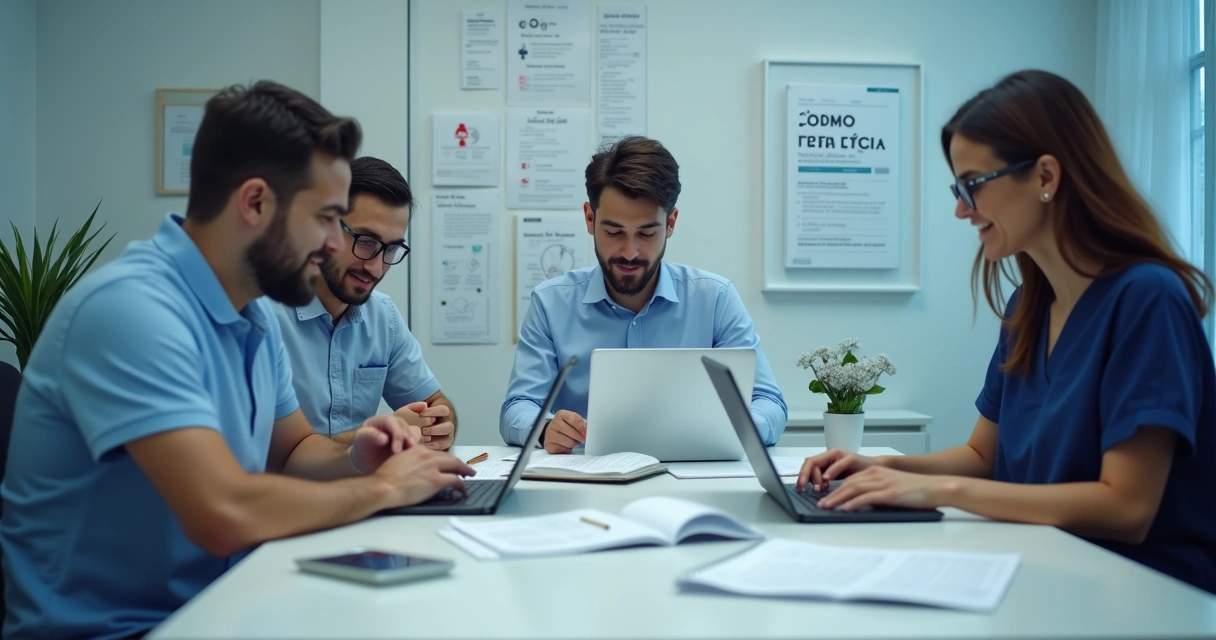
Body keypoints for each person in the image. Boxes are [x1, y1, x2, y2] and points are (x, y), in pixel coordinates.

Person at [0, 81, 474, 639]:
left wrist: (358, 458)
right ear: (254, 203)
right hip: (125, 630)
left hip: (227, 603)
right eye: (325, 218)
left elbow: (295, 449)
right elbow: (223, 513)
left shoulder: (247, 316)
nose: (331, 244)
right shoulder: (131, 311)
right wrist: (387, 488)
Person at [796, 69, 1216, 595]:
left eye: (972, 185)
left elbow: (1125, 506)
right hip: (1045, 566)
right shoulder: (1028, 307)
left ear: (1045, 176)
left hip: (1145, 592)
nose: (960, 209)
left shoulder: (1147, 299)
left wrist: (938, 491)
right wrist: (883, 467)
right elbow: (983, 457)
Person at [500, 136, 787, 453]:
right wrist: (544, 428)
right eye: (613, 232)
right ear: (589, 219)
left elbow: (769, 402)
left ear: (671, 223)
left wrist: (740, 427)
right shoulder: (550, 303)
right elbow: (518, 406)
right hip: (585, 479)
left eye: (647, 233)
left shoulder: (715, 299)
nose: (630, 252)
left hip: (696, 480)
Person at [272, 156, 456, 450]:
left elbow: (433, 402)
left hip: (363, 490)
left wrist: (440, 423)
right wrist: (376, 438)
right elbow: (273, 454)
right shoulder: (264, 315)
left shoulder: (383, 316)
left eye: (391, 249)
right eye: (366, 241)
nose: (376, 268)